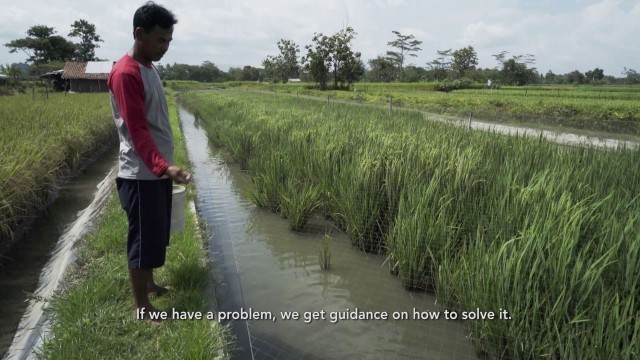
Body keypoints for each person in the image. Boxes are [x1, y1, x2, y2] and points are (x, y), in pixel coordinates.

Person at [108, 1, 190, 321]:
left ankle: (151, 285)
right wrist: (163, 166)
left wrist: (164, 167)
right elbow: (138, 131)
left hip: (154, 172)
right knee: (142, 239)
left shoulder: (149, 67)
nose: (164, 47)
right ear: (138, 33)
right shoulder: (127, 73)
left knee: (155, 233)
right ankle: (141, 307)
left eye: (168, 41)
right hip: (141, 174)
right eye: (159, 40)